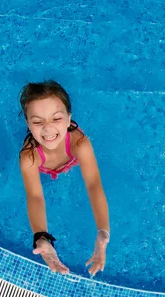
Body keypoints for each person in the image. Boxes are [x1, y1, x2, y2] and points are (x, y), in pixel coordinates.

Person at [18, 80, 110, 277]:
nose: (48, 128)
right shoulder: (29, 156)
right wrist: (41, 237)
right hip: (44, 166)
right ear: (28, 124)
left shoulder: (79, 143)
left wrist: (103, 231)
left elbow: (93, 185)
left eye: (56, 118)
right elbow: (35, 196)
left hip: (70, 159)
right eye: (37, 121)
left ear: (69, 119)